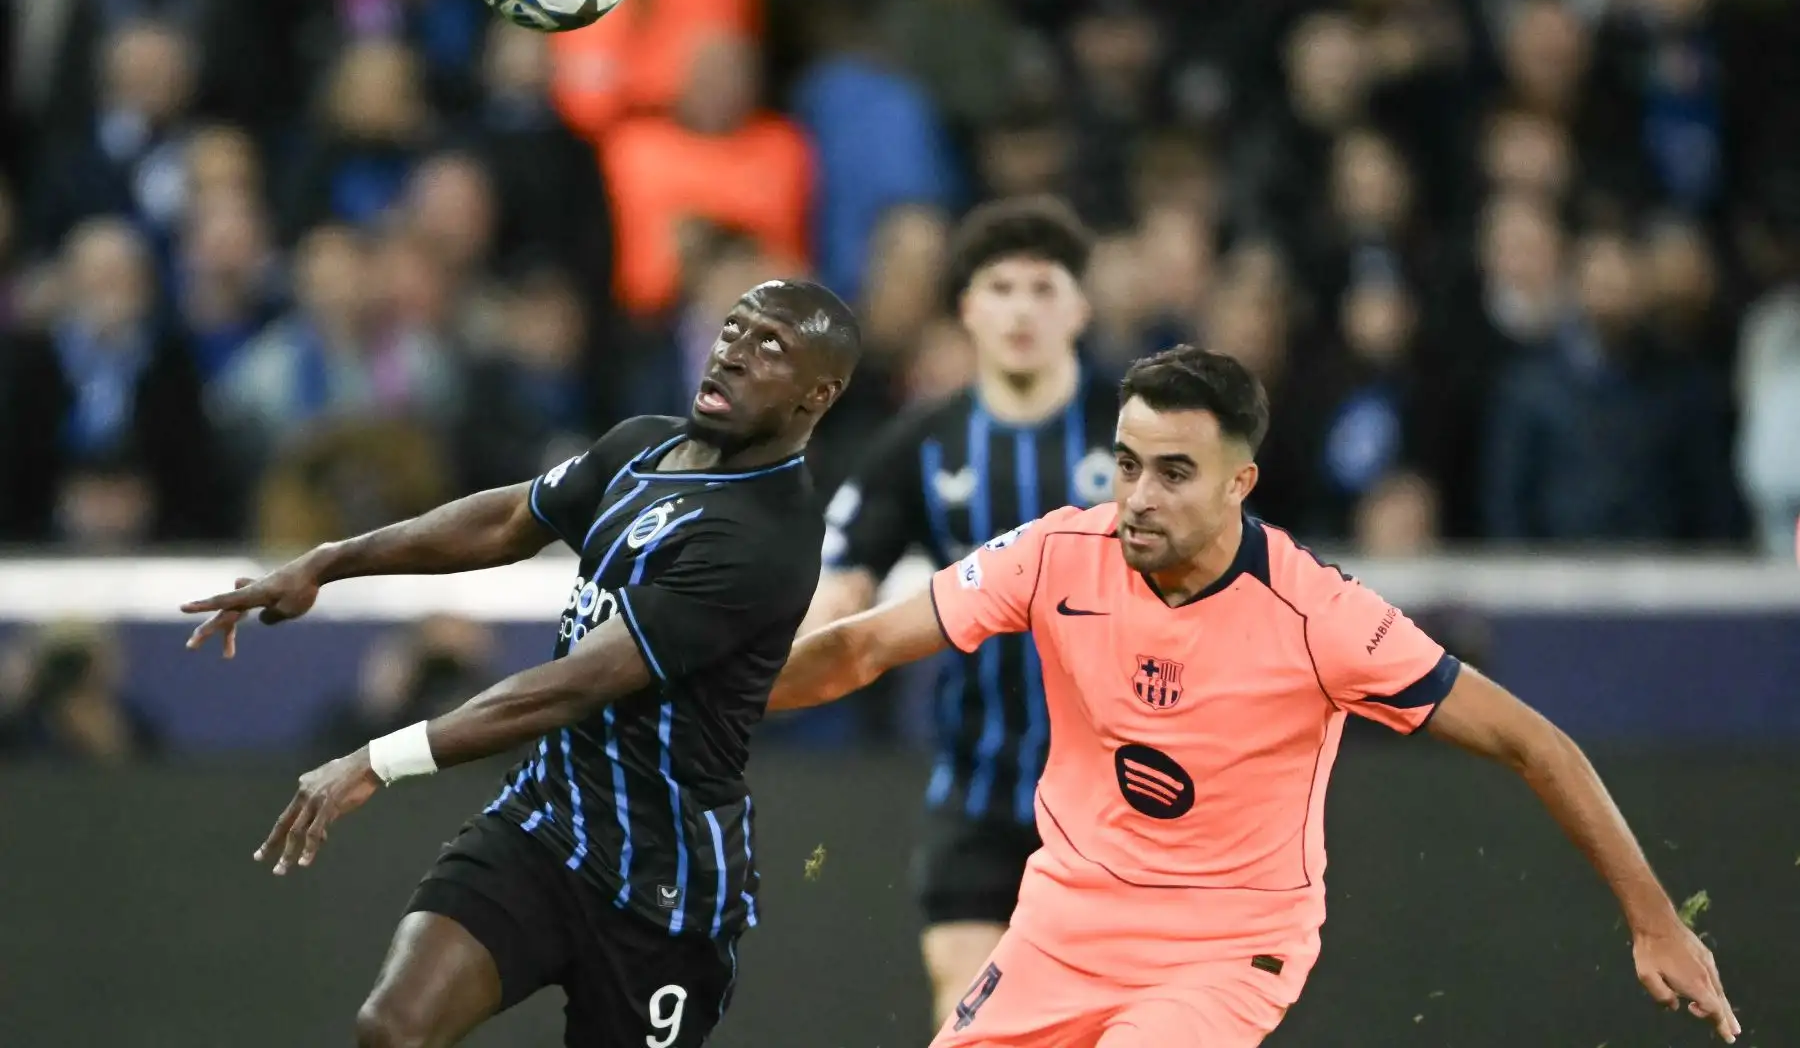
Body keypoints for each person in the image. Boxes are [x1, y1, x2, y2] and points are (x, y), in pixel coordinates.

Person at [771, 345, 1739, 1048]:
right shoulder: (1057, 552)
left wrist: (1655, 922)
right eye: (1127, 463)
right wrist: (702, 694)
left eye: (1175, 472)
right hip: (1063, 927)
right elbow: (858, 651)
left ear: (1241, 482)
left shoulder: (1323, 618)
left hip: (1226, 951)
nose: (1139, 495)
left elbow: (1540, 745)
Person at [181, 279, 861, 1048]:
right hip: (544, 823)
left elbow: (573, 686)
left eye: (770, 345)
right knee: (393, 1031)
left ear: (818, 395)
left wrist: (379, 759)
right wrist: (329, 561)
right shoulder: (643, 444)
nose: (734, 352)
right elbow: (510, 517)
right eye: (733, 328)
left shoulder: (764, 538)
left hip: (660, 883)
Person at [802, 194, 1116, 1023]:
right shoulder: (920, 444)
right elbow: (841, 587)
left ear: (1079, 307)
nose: (1021, 310)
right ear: (969, 307)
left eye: (1042, 289)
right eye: (1001, 288)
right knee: (969, 1011)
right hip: (977, 790)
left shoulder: (1136, 437)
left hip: (1116, 801)